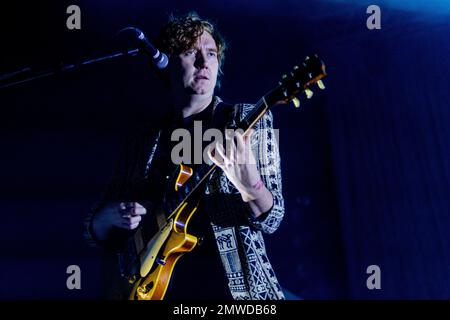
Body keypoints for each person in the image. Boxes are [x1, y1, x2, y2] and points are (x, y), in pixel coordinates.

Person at [84, 12, 285, 300]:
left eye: (211, 54)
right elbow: (95, 231)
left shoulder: (247, 119)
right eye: (191, 52)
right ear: (166, 62)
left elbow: (273, 218)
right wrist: (110, 216)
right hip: (157, 290)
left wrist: (250, 182)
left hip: (232, 293)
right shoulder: (143, 139)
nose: (204, 63)